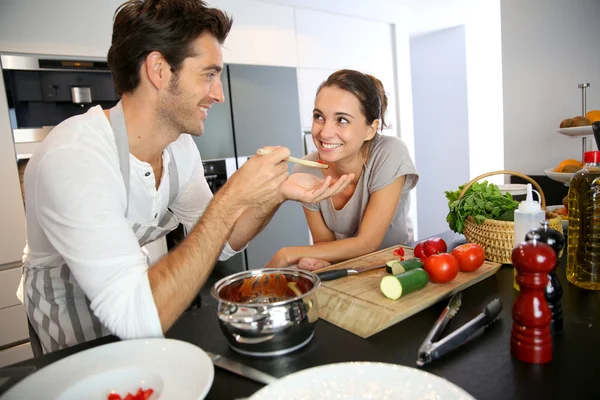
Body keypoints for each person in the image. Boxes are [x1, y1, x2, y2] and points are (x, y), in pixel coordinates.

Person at [18, 0, 353, 355]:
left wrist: (274, 193)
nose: (220, 93)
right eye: (208, 74)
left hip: (141, 324)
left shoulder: (178, 148)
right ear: (159, 70)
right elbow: (137, 314)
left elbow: (220, 240)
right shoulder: (75, 157)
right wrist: (232, 197)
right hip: (74, 340)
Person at [265, 70, 418, 271]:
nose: (325, 132)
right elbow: (324, 243)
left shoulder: (389, 153)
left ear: (370, 129)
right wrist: (316, 260)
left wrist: (287, 255)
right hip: (347, 274)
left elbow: (367, 243)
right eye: (319, 116)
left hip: (398, 272)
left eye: (342, 120)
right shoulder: (305, 169)